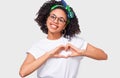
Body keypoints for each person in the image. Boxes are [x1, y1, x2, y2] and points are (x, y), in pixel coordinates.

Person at [19, 0, 108, 78]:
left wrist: (83, 52)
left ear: (65, 26)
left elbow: (104, 56)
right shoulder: (38, 46)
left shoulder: (74, 42)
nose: (55, 21)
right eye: (53, 17)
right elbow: (23, 72)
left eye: (61, 20)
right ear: (46, 18)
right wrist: (49, 54)